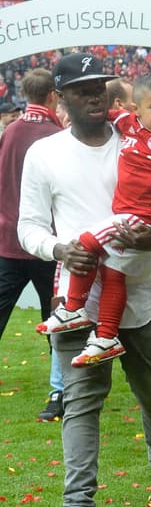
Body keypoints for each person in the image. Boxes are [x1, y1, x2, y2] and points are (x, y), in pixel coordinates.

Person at [18, 53, 151, 507]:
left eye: (100, 87)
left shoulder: (146, 144)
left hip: (144, 295)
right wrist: (59, 249)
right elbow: (27, 228)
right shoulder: (44, 154)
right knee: (80, 404)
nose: (94, 96)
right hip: (78, 299)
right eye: (81, 88)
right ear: (60, 98)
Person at [39, 73, 151, 367]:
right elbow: (103, 114)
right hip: (129, 215)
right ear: (137, 108)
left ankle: (74, 308)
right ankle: (105, 336)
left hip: (145, 219)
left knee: (85, 242)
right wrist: (72, 116)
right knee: (114, 273)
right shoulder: (128, 125)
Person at [0, 68, 63, 419]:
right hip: (45, 244)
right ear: (53, 95)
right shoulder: (56, 135)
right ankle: (59, 391)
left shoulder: (10, 132)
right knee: (55, 316)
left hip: (8, 240)